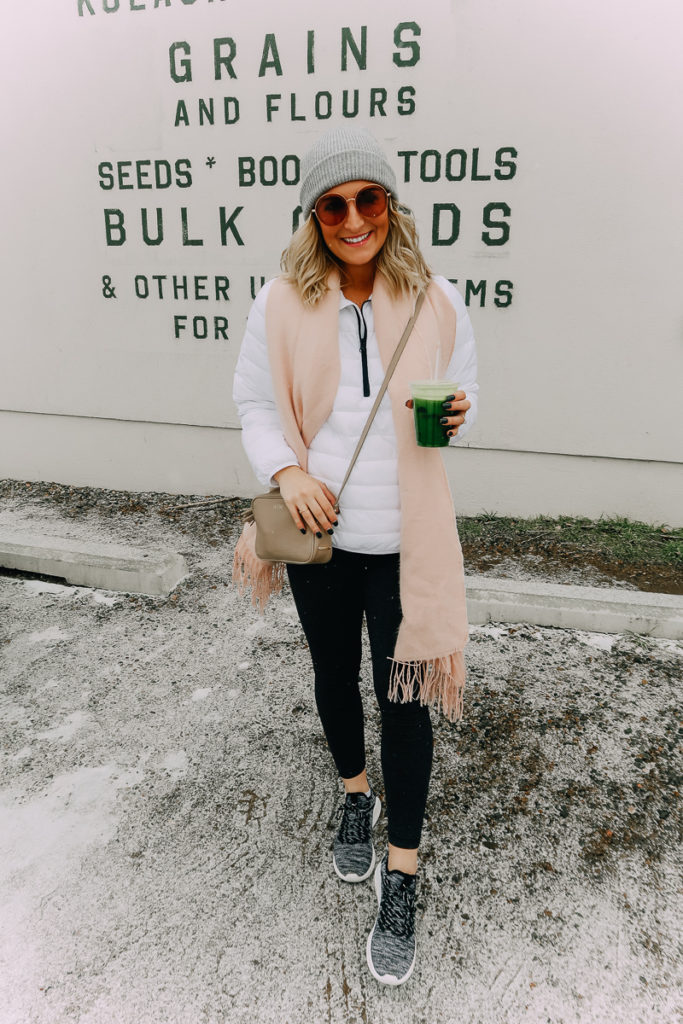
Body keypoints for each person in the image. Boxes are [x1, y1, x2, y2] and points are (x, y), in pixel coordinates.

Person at [232, 125, 478, 987]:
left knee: (403, 698)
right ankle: (352, 796)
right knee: (334, 676)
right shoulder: (280, 303)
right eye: (332, 205)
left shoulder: (437, 297)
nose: (352, 218)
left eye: (367, 198)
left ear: (390, 206)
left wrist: (459, 414)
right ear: (313, 219)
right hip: (322, 540)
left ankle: (400, 872)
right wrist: (287, 468)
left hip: (407, 542)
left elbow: (465, 385)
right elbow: (255, 403)